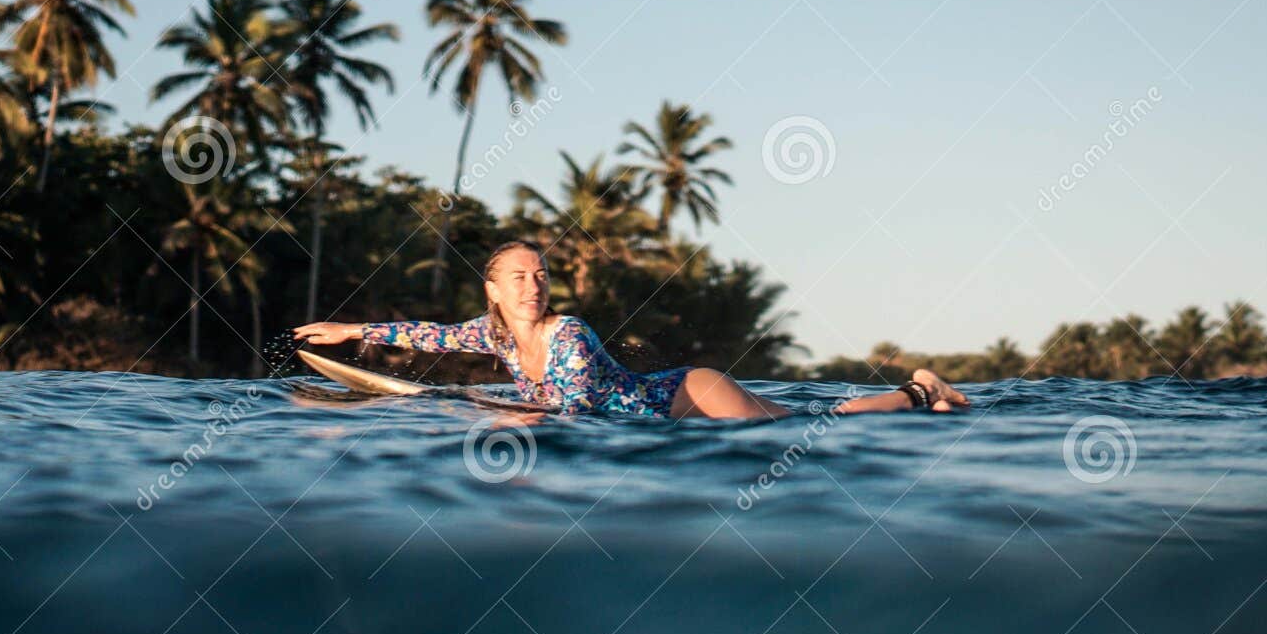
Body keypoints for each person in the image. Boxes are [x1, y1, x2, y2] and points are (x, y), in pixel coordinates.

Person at [294, 240, 969, 420]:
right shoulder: (493, 335)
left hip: (689, 395)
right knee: (813, 416)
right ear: (493, 291)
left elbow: (576, 407)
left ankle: (916, 391)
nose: (535, 285)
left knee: (805, 424)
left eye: (542, 275)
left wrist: (474, 406)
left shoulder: (569, 335)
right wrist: (350, 331)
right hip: (669, 404)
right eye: (520, 277)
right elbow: (426, 335)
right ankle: (920, 395)